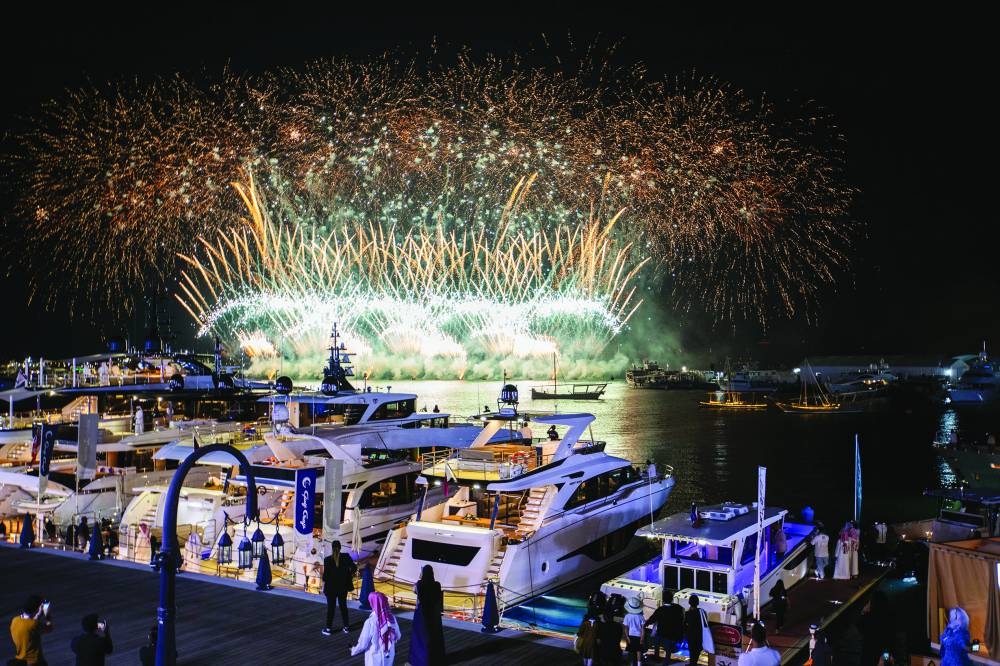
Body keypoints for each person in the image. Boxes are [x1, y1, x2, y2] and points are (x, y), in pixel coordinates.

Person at [350, 591, 402, 666]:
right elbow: (398, 635)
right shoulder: (392, 618)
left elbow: (363, 644)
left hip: (374, 658)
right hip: (389, 656)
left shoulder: (370, 622)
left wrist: (354, 650)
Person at [410, 564, 446, 666]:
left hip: (422, 614)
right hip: (434, 615)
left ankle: (419, 659)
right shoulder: (437, 585)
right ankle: (435, 659)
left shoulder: (419, 584)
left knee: (420, 637)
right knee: (434, 636)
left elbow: (414, 590)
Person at [322, 540, 357, 635]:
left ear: (332, 548)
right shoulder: (346, 557)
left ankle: (328, 629)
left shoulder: (327, 560)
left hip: (331, 588)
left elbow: (325, 577)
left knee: (331, 608)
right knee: (343, 607)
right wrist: (348, 574)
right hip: (343, 587)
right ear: (340, 547)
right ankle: (346, 627)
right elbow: (354, 568)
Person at [9, 595, 53, 666]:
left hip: (20, 660)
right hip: (35, 662)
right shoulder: (34, 624)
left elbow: (28, 626)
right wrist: (47, 615)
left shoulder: (15, 620)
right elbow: (49, 628)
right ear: (38, 609)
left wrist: (37, 615)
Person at [646, 594, 685, 662]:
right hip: (671, 632)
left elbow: (653, 618)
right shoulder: (677, 608)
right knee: (668, 648)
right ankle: (666, 661)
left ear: (663, 600)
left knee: (656, 643)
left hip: (661, 632)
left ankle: (656, 658)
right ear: (672, 599)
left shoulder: (660, 609)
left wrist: (646, 624)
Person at [623, 597, 646, 666]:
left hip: (630, 635)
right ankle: (639, 664)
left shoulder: (627, 616)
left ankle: (631, 663)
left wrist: (627, 637)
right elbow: (643, 628)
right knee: (639, 650)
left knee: (631, 650)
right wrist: (642, 637)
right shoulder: (641, 617)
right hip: (639, 635)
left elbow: (626, 628)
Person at [685, 595, 704, 666]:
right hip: (700, 635)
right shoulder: (702, 612)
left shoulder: (688, 614)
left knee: (692, 651)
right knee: (697, 650)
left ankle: (692, 664)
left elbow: (685, 625)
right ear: (698, 603)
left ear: (689, 603)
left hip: (691, 636)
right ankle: (694, 663)